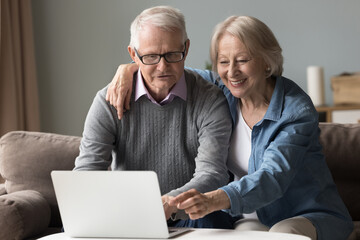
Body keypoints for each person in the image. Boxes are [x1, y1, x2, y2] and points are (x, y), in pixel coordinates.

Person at [106, 16, 354, 240]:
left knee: (282, 235)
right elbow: (167, 68)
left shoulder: (295, 111)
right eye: (223, 61)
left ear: (267, 61)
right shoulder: (221, 91)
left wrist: (212, 199)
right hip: (249, 219)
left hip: (304, 215)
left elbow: (271, 178)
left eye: (243, 60)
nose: (232, 71)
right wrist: (129, 68)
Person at [74, 6, 239, 229]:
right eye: (151, 56)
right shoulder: (108, 100)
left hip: (189, 215)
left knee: (213, 220)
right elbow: (87, 171)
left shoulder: (209, 99)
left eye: (172, 55)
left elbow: (212, 173)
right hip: (127, 213)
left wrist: (168, 203)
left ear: (186, 48)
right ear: (133, 55)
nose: (163, 67)